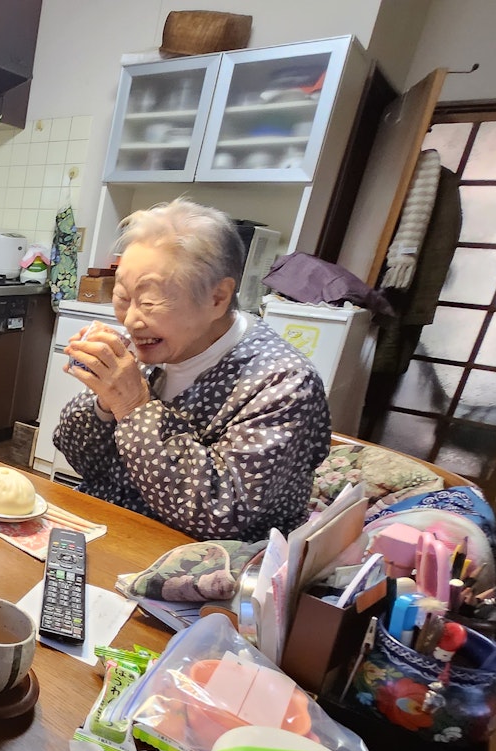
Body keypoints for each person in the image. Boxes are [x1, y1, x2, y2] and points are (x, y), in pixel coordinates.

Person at [53, 199, 331, 541]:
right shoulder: (149, 344)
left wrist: (134, 405)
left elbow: (220, 513)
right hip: (108, 527)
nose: (131, 320)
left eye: (150, 303)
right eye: (123, 298)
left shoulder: (284, 384)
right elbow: (83, 461)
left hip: (203, 566)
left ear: (217, 298)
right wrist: (106, 403)